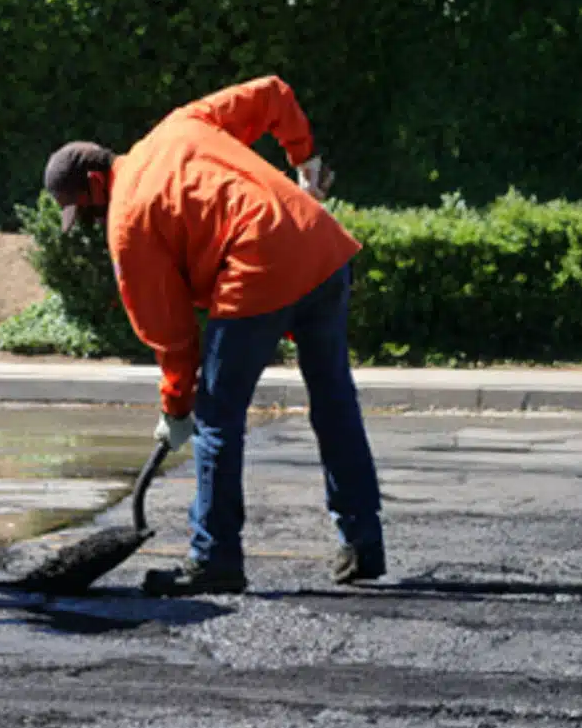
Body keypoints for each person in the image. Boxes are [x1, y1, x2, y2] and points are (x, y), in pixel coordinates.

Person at [41, 74, 385, 596]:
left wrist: (177, 409)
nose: (90, 221)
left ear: (92, 188)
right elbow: (273, 93)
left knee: (217, 417)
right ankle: (363, 542)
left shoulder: (128, 220)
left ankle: (215, 557)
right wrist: (305, 160)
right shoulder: (180, 125)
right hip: (319, 244)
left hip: (257, 262)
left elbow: (173, 338)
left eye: (84, 211)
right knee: (334, 399)